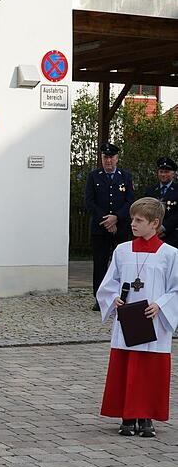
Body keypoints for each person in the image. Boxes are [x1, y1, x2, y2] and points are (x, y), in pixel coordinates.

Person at [96, 197, 177, 438]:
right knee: (126, 365)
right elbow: (109, 284)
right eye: (132, 219)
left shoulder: (170, 254)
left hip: (153, 320)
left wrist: (161, 305)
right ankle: (127, 416)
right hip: (128, 319)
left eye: (139, 220)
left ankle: (146, 416)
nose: (132, 224)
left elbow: (175, 289)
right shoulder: (122, 251)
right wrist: (114, 300)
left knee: (149, 369)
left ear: (155, 223)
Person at [85, 143, 135, 310]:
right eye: (105, 157)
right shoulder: (93, 176)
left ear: (117, 158)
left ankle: (121, 297)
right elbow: (90, 202)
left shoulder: (126, 177)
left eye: (111, 157)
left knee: (122, 264)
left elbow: (130, 201)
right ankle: (100, 299)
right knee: (100, 264)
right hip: (100, 229)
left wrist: (116, 218)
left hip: (120, 228)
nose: (108, 160)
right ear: (102, 158)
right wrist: (107, 221)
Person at [143, 157, 178, 249]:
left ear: (173, 173)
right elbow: (145, 211)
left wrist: (164, 227)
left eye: (166, 172)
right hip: (152, 234)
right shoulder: (150, 191)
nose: (163, 174)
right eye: (161, 171)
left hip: (173, 236)